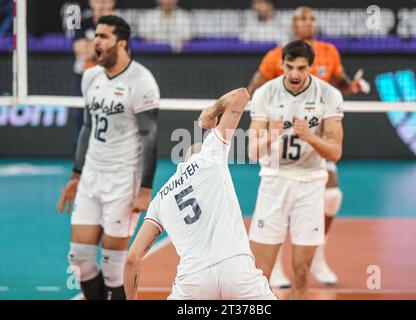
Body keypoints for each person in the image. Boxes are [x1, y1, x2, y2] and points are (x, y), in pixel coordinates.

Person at [247, 6, 368, 287]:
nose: (307, 22)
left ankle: (316, 256)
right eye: (301, 17)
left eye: (311, 17)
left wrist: (354, 87)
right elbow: (254, 87)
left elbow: (341, 83)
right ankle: (275, 265)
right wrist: (257, 115)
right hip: (279, 149)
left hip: (317, 132)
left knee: (333, 195)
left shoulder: (329, 52)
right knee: (278, 214)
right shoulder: (274, 58)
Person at [124, 88, 276, 300]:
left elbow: (132, 258)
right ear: (200, 151)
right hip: (238, 271)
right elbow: (241, 96)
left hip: (194, 282)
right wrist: (213, 111)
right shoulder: (209, 157)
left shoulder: (159, 200)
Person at [57, 15, 160, 300]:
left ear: (121, 43)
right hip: (91, 177)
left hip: (123, 180)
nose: (95, 42)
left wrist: (145, 190)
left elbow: (149, 138)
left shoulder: (142, 81)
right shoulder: (90, 77)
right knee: (79, 261)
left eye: (103, 37)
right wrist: (76, 175)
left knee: (113, 268)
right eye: (96, 36)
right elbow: (88, 127)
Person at [247, 40, 344, 299]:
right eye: (289, 67)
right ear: (282, 64)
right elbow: (251, 151)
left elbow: (335, 152)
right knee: (259, 272)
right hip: (274, 180)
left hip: (310, 183)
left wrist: (310, 137)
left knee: (301, 272)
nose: (294, 74)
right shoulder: (265, 93)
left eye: (301, 68)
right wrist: (270, 136)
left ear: (312, 67)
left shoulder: (329, 95)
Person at [72, 0, 116, 140]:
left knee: (112, 114)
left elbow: (121, 54)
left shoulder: (119, 26)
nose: (102, 3)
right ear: (91, 2)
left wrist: (91, 46)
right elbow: (80, 51)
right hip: (85, 78)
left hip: (111, 79)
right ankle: (79, 151)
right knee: (82, 115)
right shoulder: (83, 23)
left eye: (106, 0)